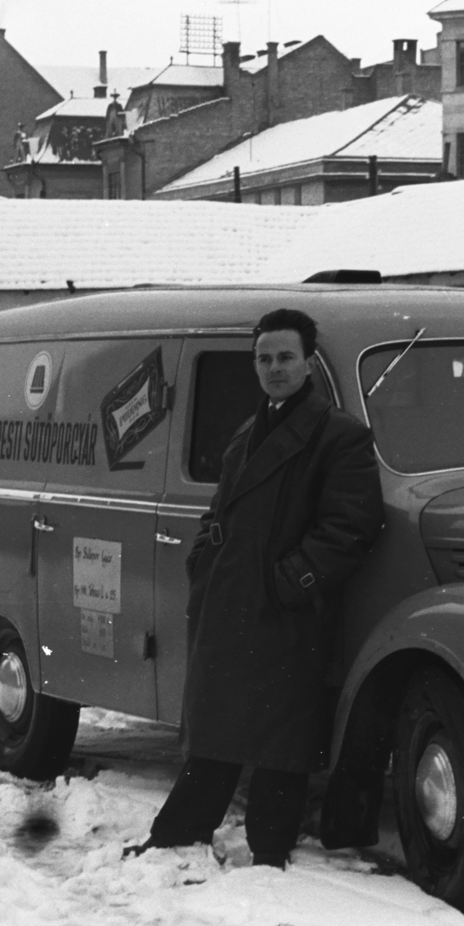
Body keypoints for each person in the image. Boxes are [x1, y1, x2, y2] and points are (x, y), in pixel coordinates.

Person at [129, 308, 385, 868]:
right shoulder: (251, 429)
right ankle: (180, 836)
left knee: (280, 737)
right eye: (264, 357)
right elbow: (219, 508)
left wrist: (289, 583)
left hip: (284, 610)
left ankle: (270, 851)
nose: (274, 368)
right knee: (217, 726)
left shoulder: (339, 434)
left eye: (285, 357)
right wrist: (203, 562)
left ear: (309, 362)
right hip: (229, 599)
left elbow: (351, 528)